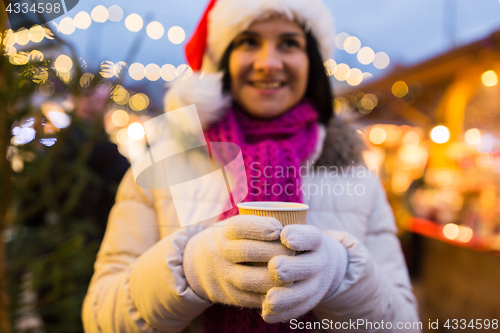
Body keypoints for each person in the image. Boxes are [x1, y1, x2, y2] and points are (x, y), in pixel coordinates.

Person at [82, 0, 421, 332]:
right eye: (248, 41)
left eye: (289, 43)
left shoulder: (353, 174)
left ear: (312, 61)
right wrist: (189, 271)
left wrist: (341, 275)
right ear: (222, 59)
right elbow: (100, 318)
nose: (268, 62)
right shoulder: (164, 166)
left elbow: (404, 325)